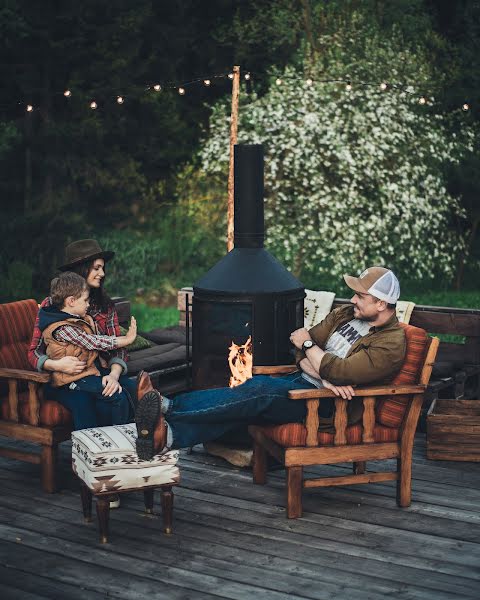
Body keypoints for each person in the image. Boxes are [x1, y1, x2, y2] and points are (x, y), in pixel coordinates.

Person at [134, 266, 406, 460]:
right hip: (315, 384)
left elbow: (332, 364)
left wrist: (315, 355)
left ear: (381, 304)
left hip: (326, 405)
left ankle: (166, 405)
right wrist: (322, 372)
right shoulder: (347, 314)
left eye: (361, 296)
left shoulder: (391, 343)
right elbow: (299, 345)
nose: (353, 299)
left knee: (260, 389)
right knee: (248, 406)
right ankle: (166, 437)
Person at [29, 239, 138, 429]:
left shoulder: (106, 306)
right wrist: (56, 364)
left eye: (102, 268)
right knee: (84, 401)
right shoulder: (51, 306)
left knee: (129, 389)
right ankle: (91, 451)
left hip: (99, 370)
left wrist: (113, 375)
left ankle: (122, 444)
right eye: (96, 268)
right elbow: (34, 351)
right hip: (64, 377)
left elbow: (119, 351)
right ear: (82, 269)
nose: (102, 274)